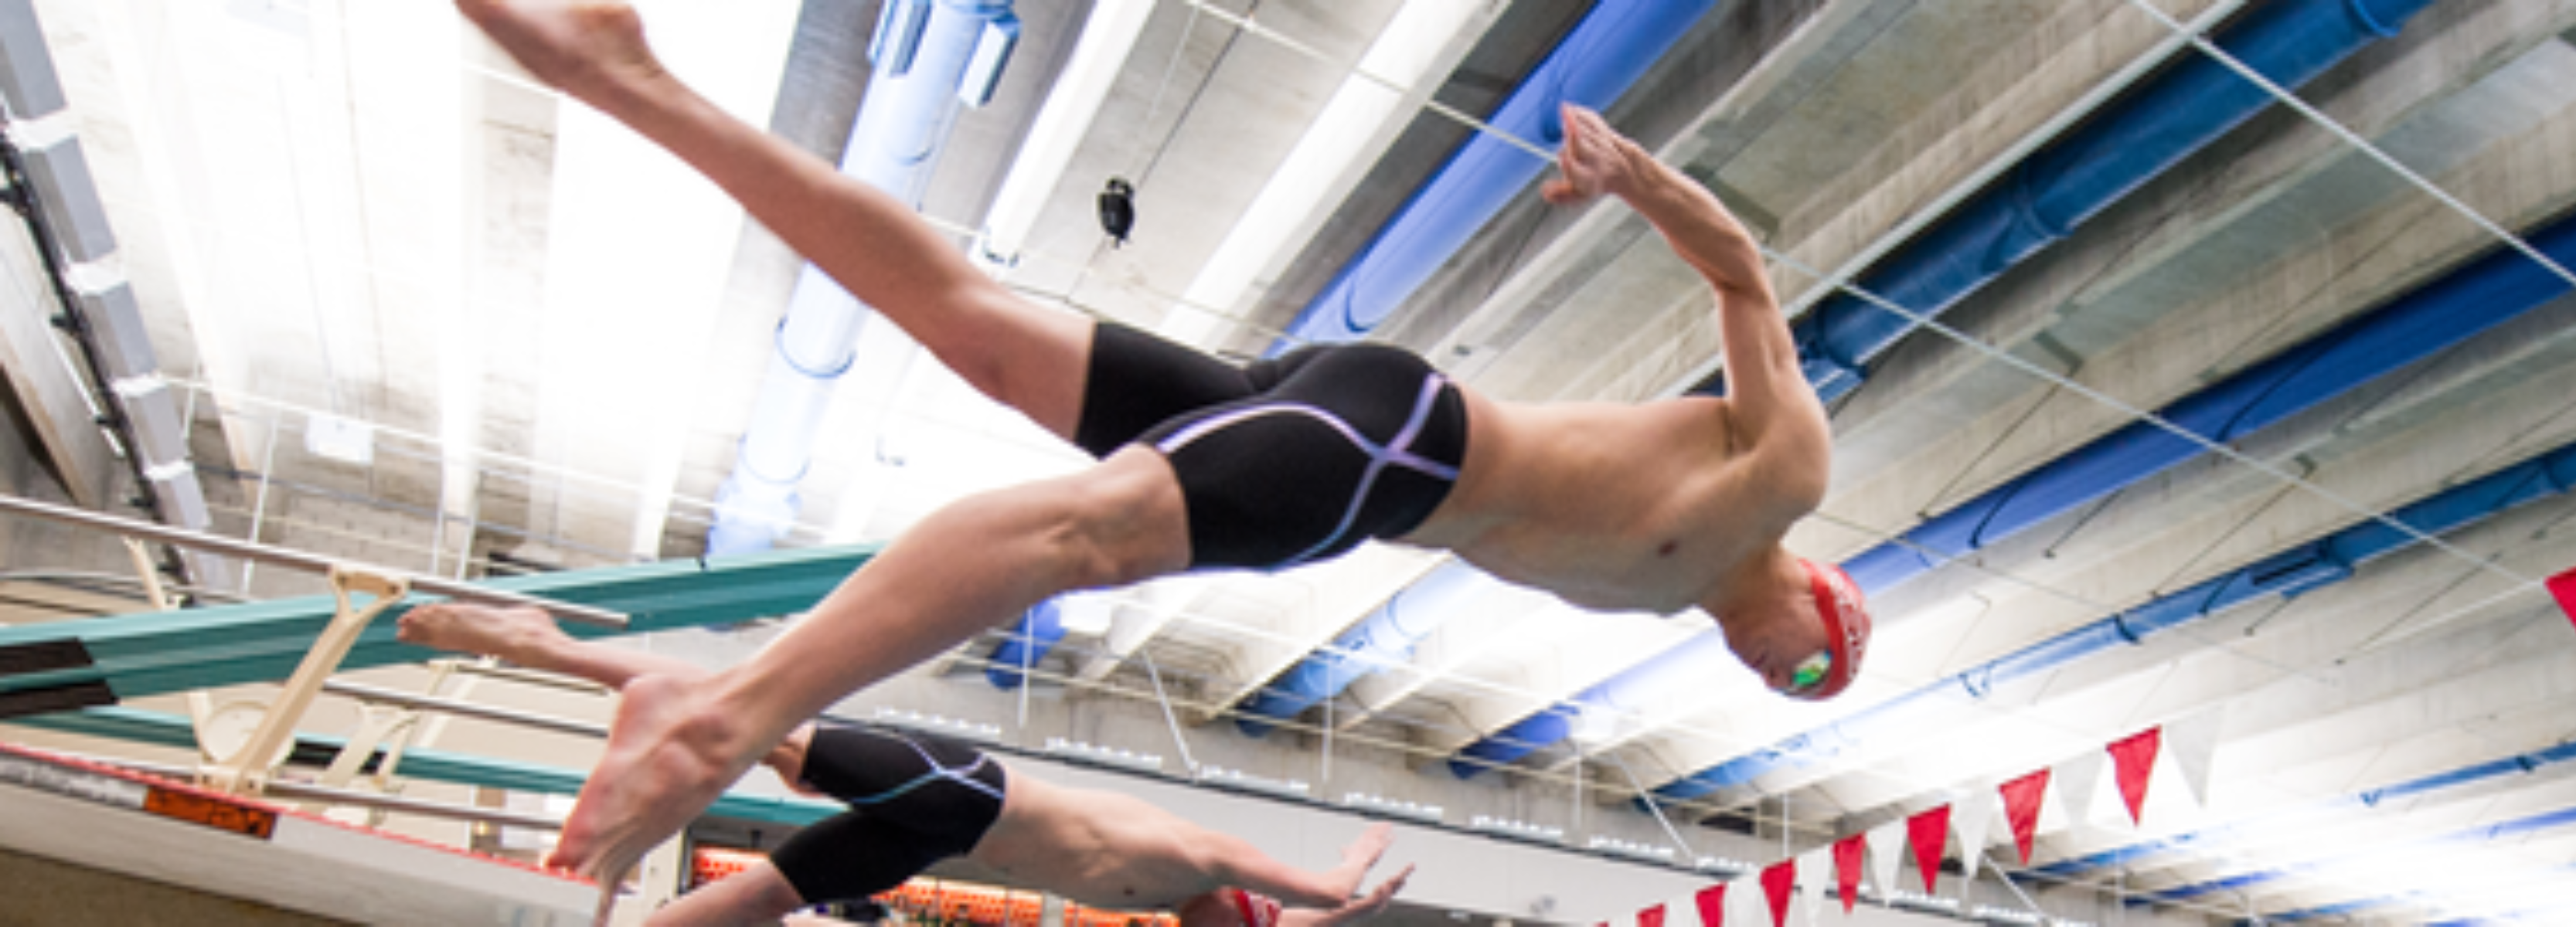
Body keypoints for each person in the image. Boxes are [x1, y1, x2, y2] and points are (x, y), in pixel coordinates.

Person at [451, 0, 1878, 883]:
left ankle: (629, 75)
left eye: (1792, 698)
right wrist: (1638, 180)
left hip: (1344, 434)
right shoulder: (1779, 480)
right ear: (1827, 593)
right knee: (1082, 534)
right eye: (1816, 660)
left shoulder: (1642, 596)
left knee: (982, 334)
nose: (1787, 677)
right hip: (1395, 445)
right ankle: (725, 709)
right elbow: (1748, 275)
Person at [401, 603, 1417, 927]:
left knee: (737, 908)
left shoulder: (1170, 898)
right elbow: (1303, 892)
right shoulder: (1199, 854)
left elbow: (1299, 917)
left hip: (924, 837)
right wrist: (1342, 885)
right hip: (963, 791)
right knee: (756, 724)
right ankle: (547, 645)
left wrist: (1334, 911)